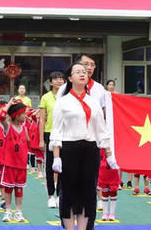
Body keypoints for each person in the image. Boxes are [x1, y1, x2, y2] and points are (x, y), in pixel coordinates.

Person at [50, 62, 117, 230]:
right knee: (69, 193)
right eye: (78, 72)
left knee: (87, 193)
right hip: (69, 149)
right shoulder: (63, 101)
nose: (82, 74)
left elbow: (102, 130)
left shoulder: (93, 102)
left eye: (84, 72)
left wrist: (109, 154)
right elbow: (56, 130)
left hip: (90, 150)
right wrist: (56, 156)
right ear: (70, 78)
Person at [0, 102, 30, 223]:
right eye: (23, 113)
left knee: (19, 188)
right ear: (17, 115)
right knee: (8, 188)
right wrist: (9, 104)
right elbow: (2, 116)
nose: (25, 115)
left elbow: (27, 140)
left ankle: (18, 211)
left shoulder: (24, 128)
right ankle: (8, 211)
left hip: (21, 164)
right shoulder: (8, 126)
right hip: (9, 164)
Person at [39, 71, 64, 208]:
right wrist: (41, 139)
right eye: (56, 79)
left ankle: (61, 195)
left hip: (65, 134)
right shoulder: (46, 98)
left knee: (63, 166)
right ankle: (50, 195)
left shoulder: (68, 96)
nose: (59, 81)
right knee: (49, 165)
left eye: (61, 79)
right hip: (50, 133)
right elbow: (42, 120)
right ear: (50, 82)